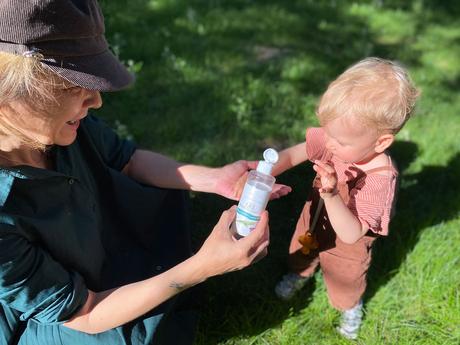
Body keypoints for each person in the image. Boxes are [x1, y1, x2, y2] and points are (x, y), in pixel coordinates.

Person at [0, 1, 291, 344]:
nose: (96, 101)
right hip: (73, 316)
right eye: (72, 86)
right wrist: (202, 267)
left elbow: (127, 159)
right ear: (8, 95)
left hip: (97, 254)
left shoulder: (57, 125)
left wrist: (215, 178)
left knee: (165, 200)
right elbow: (85, 313)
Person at [273, 57, 419, 339]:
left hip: (346, 242)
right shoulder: (338, 139)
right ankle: (299, 274)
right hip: (314, 218)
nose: (328, 144)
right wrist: (263, 169)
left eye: (338, 141)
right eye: (327, 133)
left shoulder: (378, 179)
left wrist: (329, 194)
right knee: (303, 246)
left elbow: (351, 233)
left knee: (345, 277)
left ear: (381, 142)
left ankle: (350, 306)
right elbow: (295, 153)